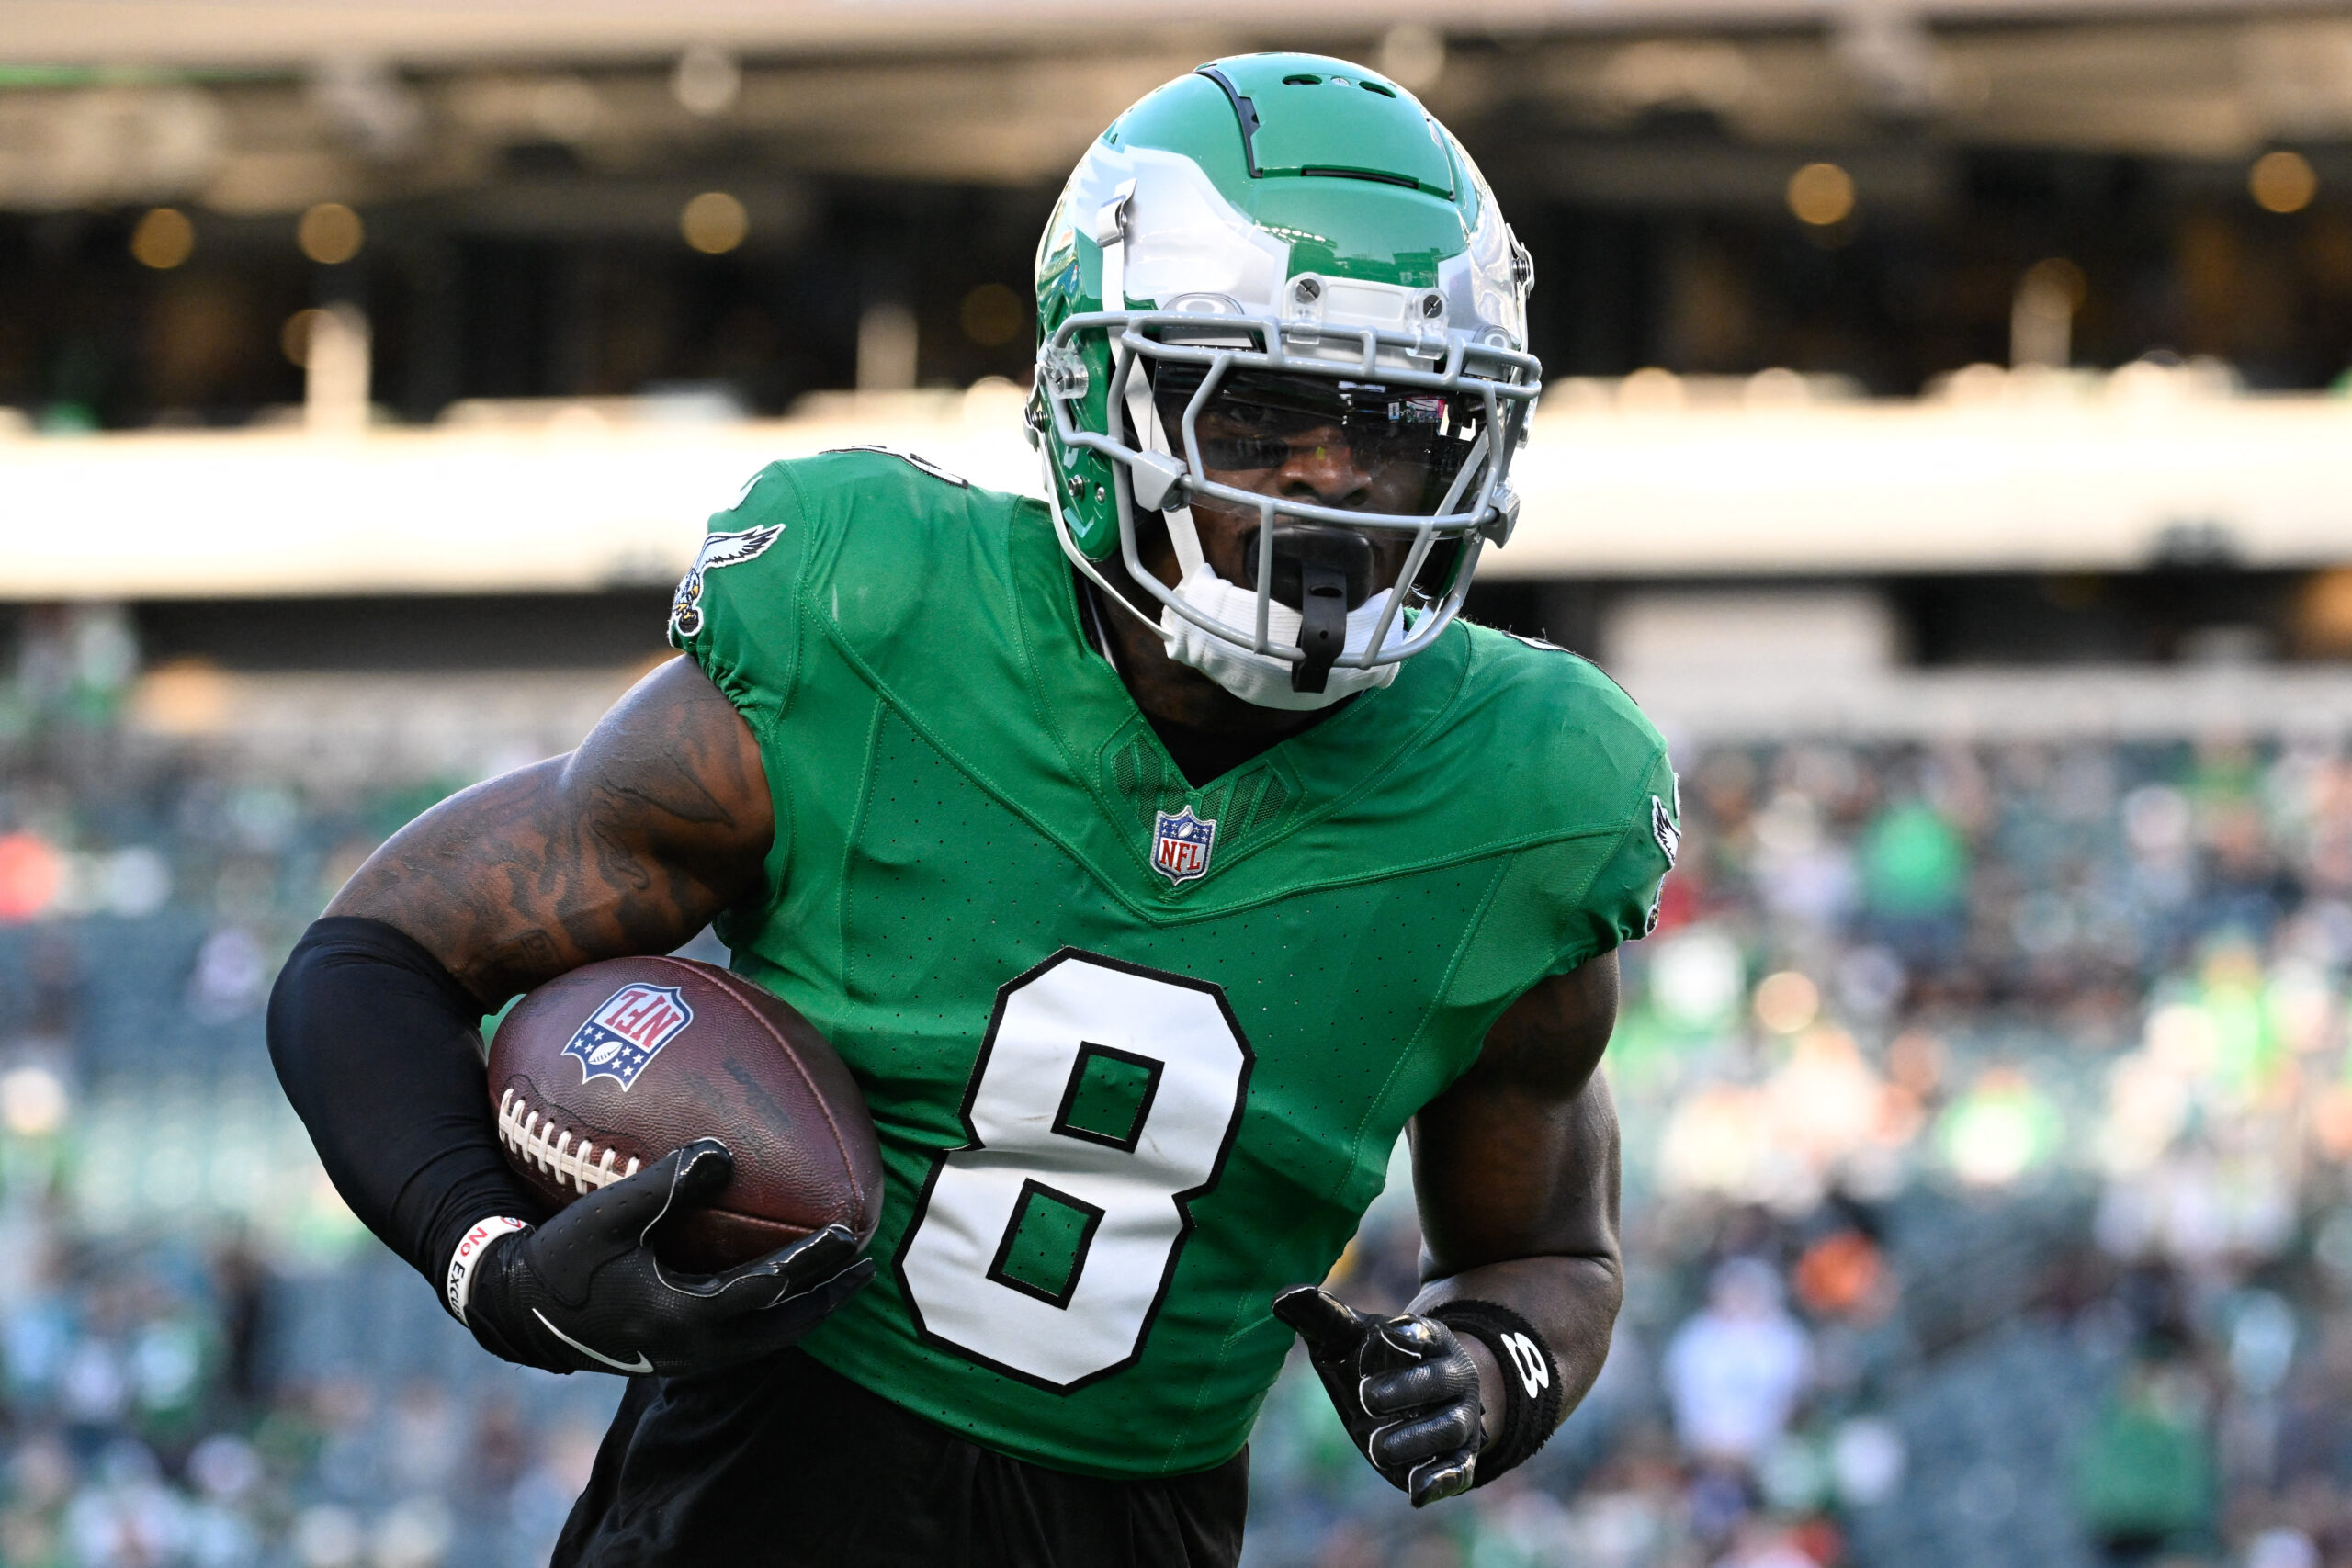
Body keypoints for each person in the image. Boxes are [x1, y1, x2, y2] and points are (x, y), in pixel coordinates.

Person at [268, 51, 1676, 1568]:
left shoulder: (1533, 791)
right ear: (1099, 400)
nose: (1334, 488)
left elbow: (1544, 1253)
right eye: (1261, 421)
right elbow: (375, 963)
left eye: (1403, 432)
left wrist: (1485, 1370)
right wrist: (494, 1259)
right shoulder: (878, 615)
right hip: (765, 1488)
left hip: (1143, 1529)